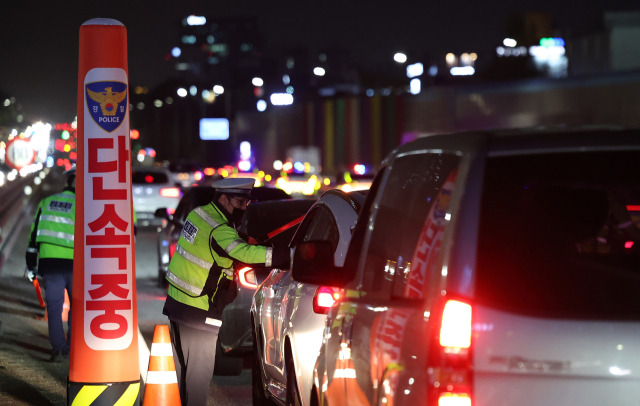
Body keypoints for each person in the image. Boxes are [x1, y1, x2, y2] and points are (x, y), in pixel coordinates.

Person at [162, 177, 290, 405]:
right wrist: (287, 255)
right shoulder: (219, 228)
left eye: (247, 202)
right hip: (199, 309)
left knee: (182, 373)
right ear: (223, 197)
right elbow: (245, 254)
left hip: (178, 302)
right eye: (240, 201)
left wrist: (240, 239)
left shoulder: (199, 214)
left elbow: (213, 245)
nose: (244, 207)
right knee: (198, 378)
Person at [25, 167, 76, 362]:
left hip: (50, 264)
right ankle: (73, 348)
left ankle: (58, 349)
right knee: (77, 307)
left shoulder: (46, 202)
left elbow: (33, 235)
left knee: (54, 308)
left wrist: (30, 264)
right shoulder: (84, 204)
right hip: (75, 266)